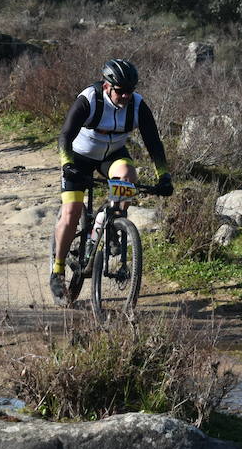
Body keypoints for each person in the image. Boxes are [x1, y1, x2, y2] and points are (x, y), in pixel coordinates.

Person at [48, 58, 173, 304]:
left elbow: (154, 143)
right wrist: (67, 165)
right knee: (71, 212)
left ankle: (114, 222)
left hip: (112, 156)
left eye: (130, 91)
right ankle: (58, 269)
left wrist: (164, 175)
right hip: (79, 157)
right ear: (107, 87)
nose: (126, 96)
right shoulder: (89, 99)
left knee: (128, 174)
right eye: (120, 91)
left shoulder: (137, 105)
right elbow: (65, 135)